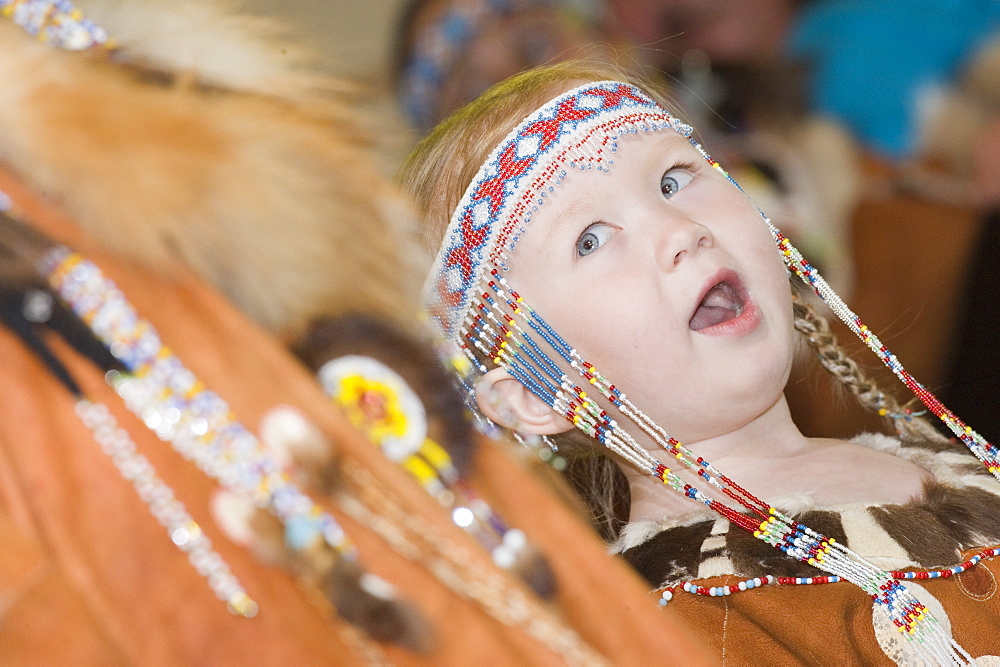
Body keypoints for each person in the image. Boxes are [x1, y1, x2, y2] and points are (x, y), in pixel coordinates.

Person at [399, 59, 1000, 662]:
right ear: (533, 394)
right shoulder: (683, 629)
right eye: (591, 238)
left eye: (673, 179)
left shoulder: (937, 460)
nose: (680, 230)